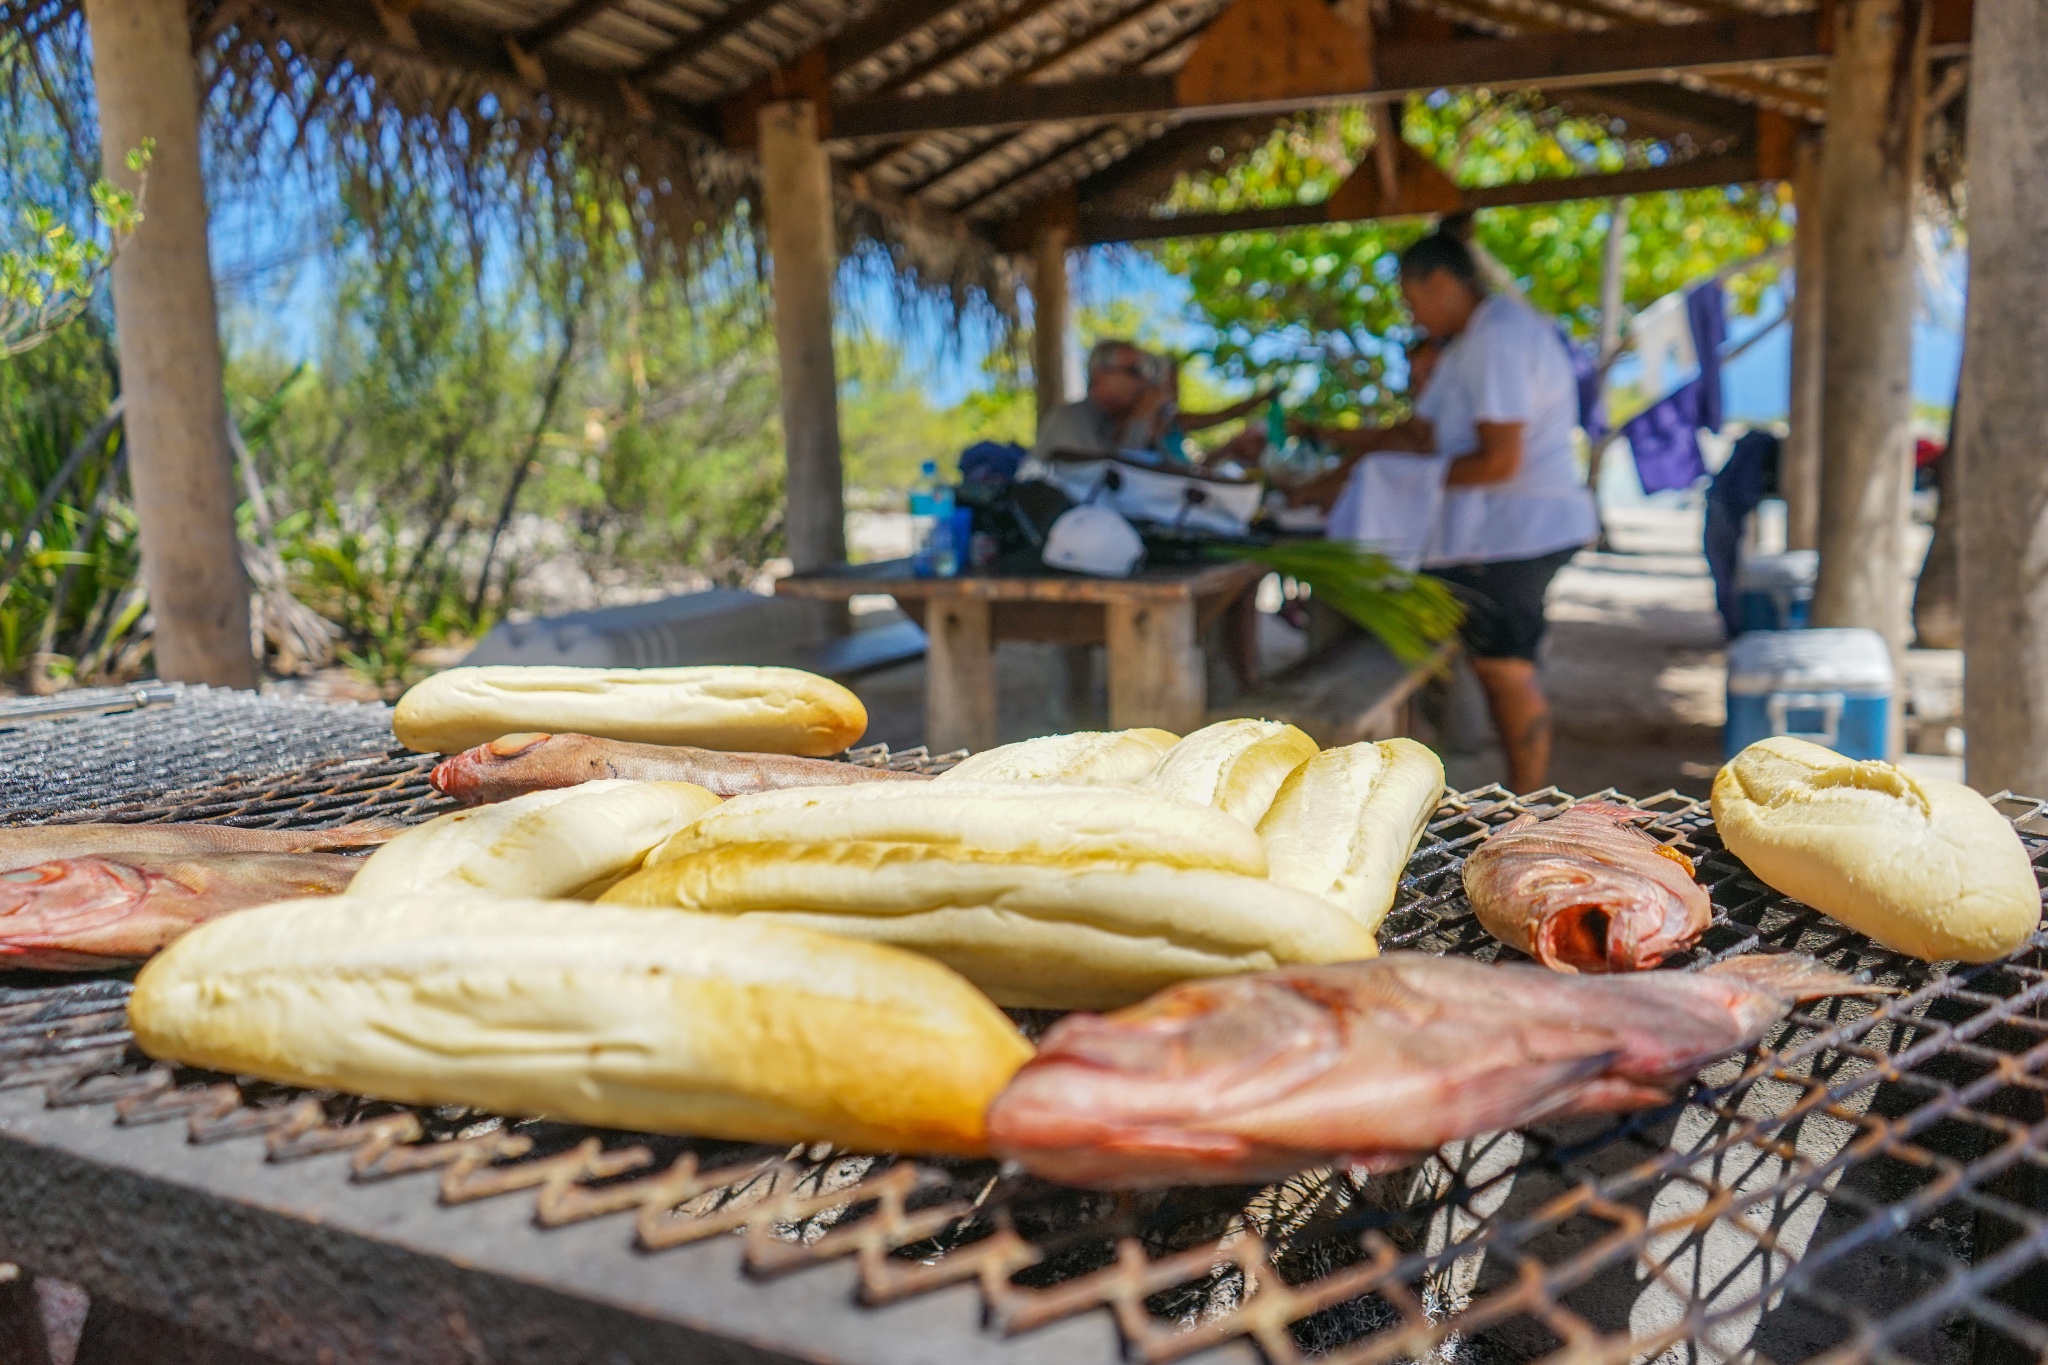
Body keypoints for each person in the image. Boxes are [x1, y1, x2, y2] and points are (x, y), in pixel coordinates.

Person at [1298, 225, 1596, 792]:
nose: (1415, 318)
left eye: (1412, 301)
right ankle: (1491, 787)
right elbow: (1414, 432)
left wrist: (1399, 482)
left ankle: (1528, 805)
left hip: (1519, 532)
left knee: (1506, 669)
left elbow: (1500, 461)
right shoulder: (1472, 342)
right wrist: (1331, 461)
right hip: (1499, 532)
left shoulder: (1499, 339)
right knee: (1482, 662)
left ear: (1439, 281)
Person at [1031, 340, 1160, 459]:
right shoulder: (1069, 419)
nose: (1144, 381)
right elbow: (1113, 477)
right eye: (1134, 371)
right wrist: (1140, 421)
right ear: (1100, 375)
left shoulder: (1115, 422)